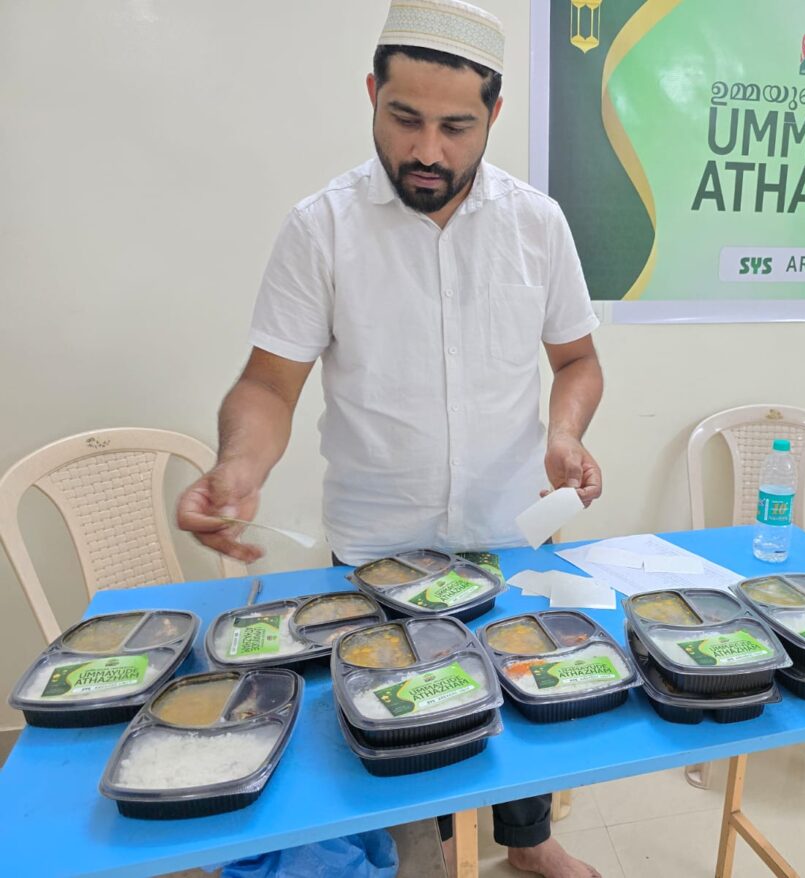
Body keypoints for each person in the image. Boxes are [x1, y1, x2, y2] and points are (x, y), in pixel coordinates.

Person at [176, 2, 604, 876]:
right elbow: (269, 383)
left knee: (522, 688)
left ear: (494, 114)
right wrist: (238, 465)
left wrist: (565, 433)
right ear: (371, 94)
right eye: (405, 118)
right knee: (403, 703)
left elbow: (578, 360)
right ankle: (436, 844)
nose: (427, 151)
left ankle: (527, 840)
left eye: (455, 127)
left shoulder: (537, 224)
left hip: (507, 526)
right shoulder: (322, 227)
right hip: (378, 543)